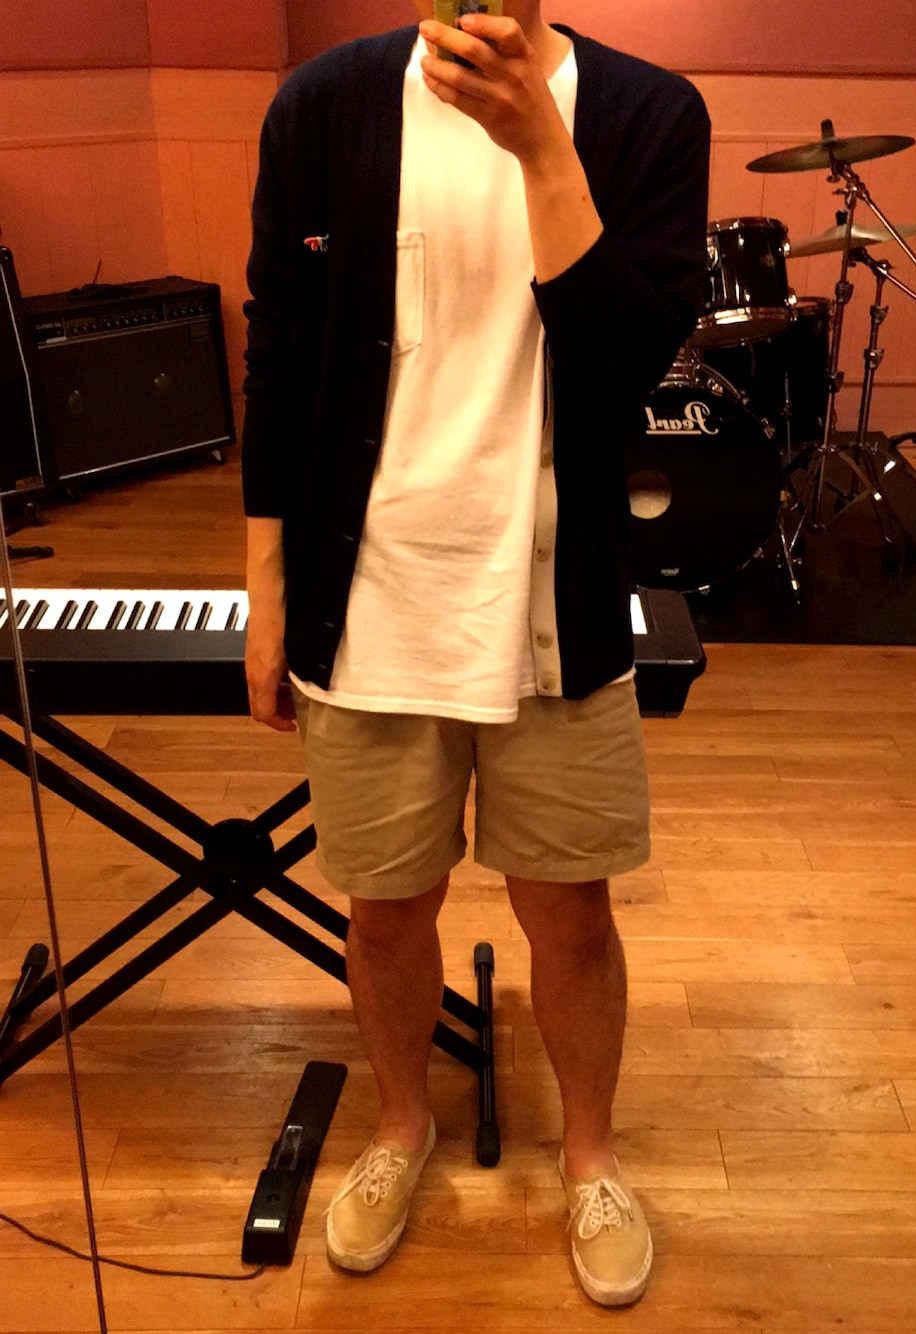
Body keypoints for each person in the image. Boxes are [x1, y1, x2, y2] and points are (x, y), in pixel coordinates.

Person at [241, 0, 709, 1307]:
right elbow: (277, 350)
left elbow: (626, 365)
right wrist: (266, 588)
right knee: (385, 906)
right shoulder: (321, 106)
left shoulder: (648, 114)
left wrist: (541, 147)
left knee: (570, 909)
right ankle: (402, 1125)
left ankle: (591, 1153)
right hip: (367, 595)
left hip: (555, 603)